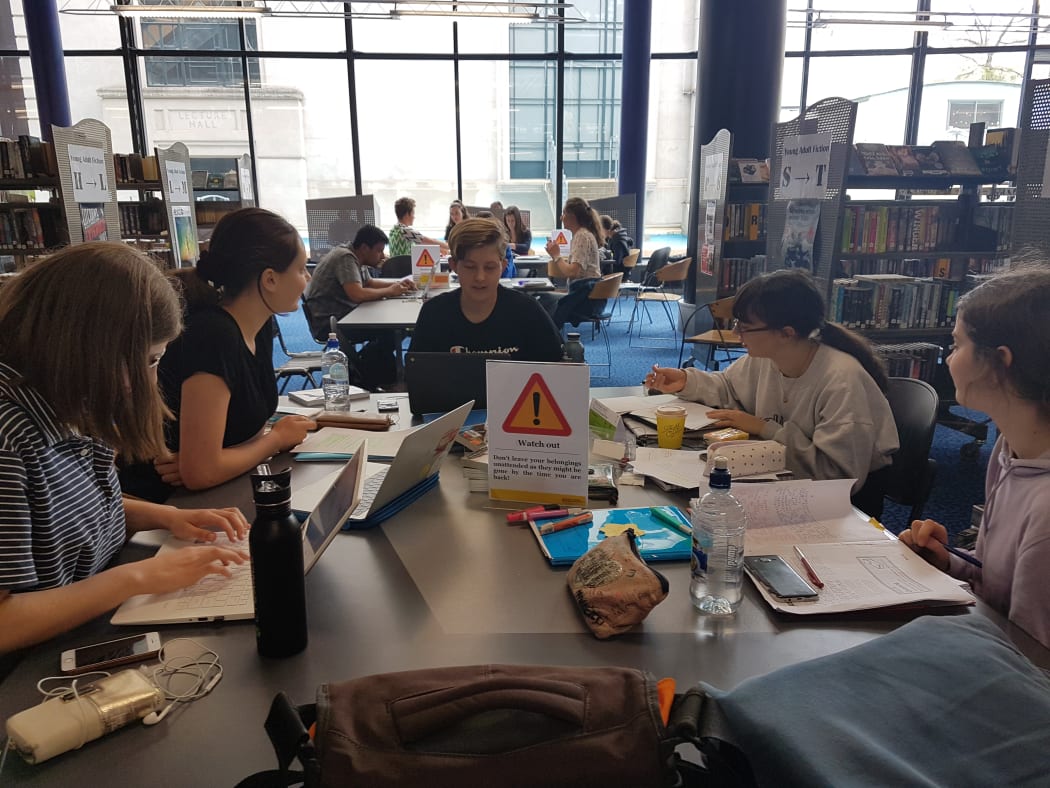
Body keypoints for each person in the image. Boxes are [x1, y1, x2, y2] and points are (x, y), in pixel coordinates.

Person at [0, 243, 249, 654]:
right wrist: (139, 577)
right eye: (148, 362)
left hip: (87, 624)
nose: (151, 382)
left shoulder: (67, 396)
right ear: (88, 349)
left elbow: (62, 513)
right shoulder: (9, 436)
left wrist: (167, 516)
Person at [646, 268, 898, 517]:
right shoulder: (767, 357)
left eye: (745, 326)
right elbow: (728, 386)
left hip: (843, 506)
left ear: (786, 333)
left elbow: (837, 476)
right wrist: (685, 382)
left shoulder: (842, 381)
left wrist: (764, 428)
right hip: (785, 482)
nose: (735, 333)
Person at [900, 267, 1050, 648]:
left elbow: (1031, 662)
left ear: (998, 361)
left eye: (956, 345)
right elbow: (999, 579)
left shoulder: (1045, 507)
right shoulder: (1010, 450)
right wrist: (950, 563)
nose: (949, 360)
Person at [156, 208, 315, 492]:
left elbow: (241, 435)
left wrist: (229, 456)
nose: (308, 279)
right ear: (270, 279)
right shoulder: (214, 336)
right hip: (171, 503)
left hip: (225, 488)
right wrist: (275, 440)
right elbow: (201, 473)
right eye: (302, 269)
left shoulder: (260, 325)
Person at [409, 218, 562, 361]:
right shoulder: (434, 314)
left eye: (490, 267)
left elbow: (557, 367)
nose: (480, 277)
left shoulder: (528, 312)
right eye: (470, 267)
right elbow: (417, 373)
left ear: (503, 266)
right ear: (454, 266)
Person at [304, 224, 415, 388]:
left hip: (343, 316)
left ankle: (370, 369)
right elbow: (357, 294)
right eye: (378, 250)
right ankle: (365, 370)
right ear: (364, 248)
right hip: (331, 324)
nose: (382, 255)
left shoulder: (355, 257)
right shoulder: (345, 258)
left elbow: (368, 282)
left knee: (390, 332)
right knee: (391, 331)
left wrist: (397, 284)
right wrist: (390, 291)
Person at [540, 196, 604, 330]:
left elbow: (572, 272)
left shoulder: (582, 236)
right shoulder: (583, 235)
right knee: (545, 299)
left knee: (543, 300)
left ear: (572, 216)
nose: (561, 218)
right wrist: (555, 255)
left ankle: (550, 341)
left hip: (585, 301)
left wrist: (556, 255)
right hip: (589, 297)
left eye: (563, 214)